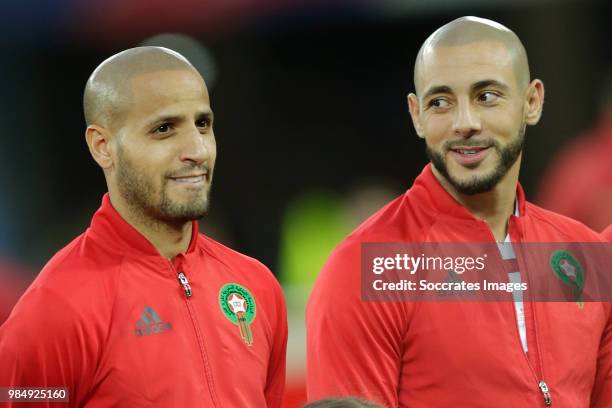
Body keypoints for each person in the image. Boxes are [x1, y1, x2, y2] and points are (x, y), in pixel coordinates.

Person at [306, 17, 611, 407]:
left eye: (486, 96)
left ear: (531, 102)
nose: (464, 123)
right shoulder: (369, 267)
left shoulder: (585, 256)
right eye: (440, 102)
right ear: (416, 115)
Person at [0, 47, 287, 407]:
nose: (197, 150)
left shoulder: (256, 286)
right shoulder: (56, 309)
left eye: (203, 124)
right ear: (102, 147)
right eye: (164, 129)